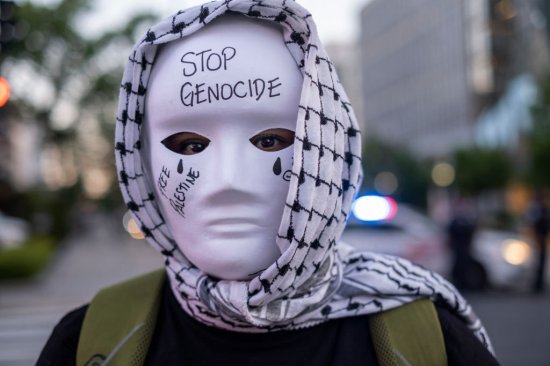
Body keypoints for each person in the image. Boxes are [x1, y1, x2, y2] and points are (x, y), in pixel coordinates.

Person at [38, 1, 499, 365]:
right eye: (190, 145)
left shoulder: (426, 341)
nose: (228, 181)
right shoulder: (91, 343)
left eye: (272, 139)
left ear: (327, 148)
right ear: (141, 161)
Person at [526, 190, 549, 293]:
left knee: (541, 262)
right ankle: (537, 285)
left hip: (541, 238)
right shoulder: (537, 208)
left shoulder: (540, 207)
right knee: (537, 262)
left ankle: (538, 285)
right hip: (539, 239)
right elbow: (534, 224)